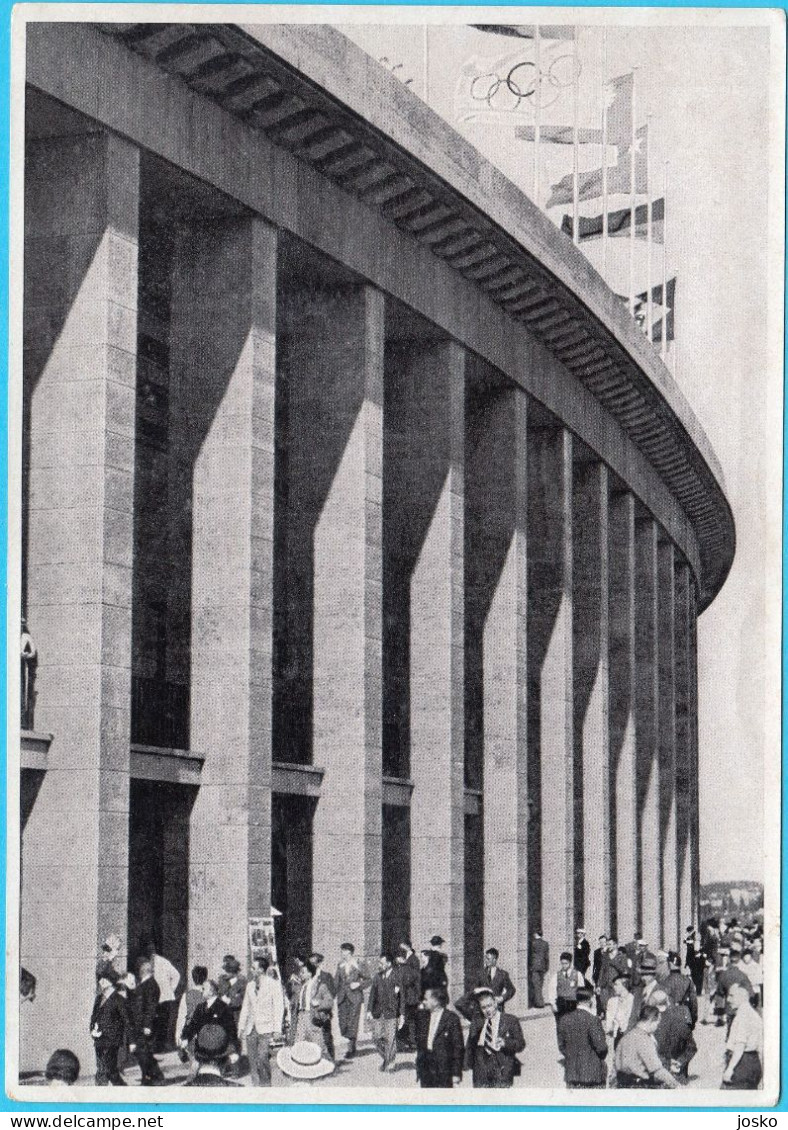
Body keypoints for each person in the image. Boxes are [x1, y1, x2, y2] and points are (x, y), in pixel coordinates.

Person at [238, 956, 285, 1086]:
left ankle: (266, 1086)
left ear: (261, 969)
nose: (251, 970)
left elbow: (278, 1007)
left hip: (266, 1028)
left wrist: (277, 1029)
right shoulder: (250, 986)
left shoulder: (274, 984)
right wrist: (241, 1027)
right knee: (252, 1061)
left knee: (262, 1057)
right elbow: (245, 1007)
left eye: (254, 968)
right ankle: (256, 1088)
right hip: (251, 1029)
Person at [465, 988, 525, 1088]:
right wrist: (475, 991)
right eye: (483, 1007)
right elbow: (460, 1004)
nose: (487, 1010)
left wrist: (505, 1043)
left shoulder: (510, 1020)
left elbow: (521, 1044)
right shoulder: (477, 1022)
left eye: (489, 1006)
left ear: (495, 1004)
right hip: (481, 1070)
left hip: (501, 1068)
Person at [614, 1005, 679, 1089]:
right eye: (657, 1023)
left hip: (621, 1086)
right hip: (640, 1087)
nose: (657, 1027)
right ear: (651, 1021)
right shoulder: (644, 1040)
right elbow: (657, 1071)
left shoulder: (625, 1037)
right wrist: (677, 1085)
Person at [557, 985, 608, 1089]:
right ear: (590, 1001)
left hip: (572, 1074)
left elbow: (562, 1046)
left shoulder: (564, 1019)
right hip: (592, 1074)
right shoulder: (593, 1020)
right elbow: (601, 1047)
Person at [414, 987, 464, 1089]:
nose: (423, 1002)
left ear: (436, 1001)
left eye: (426, 999)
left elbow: (458, 1048)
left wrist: (456, 1074)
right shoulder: (424, 1017)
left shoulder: (451, 1019)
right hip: (426, 1068)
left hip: (443, 1070)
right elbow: (420, 1044)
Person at [179, 978, 239, 1061]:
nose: (201, 990)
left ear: (211, 992)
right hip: (201, 1049)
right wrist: (185, 1038)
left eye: (204, 988)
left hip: (219, 1051)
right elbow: (192, 1025)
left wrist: (232, 1050)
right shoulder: (200, 1007)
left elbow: (231, 1029)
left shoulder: (223, 1007)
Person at [90, 963, 128, 1086]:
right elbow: (94, 1017)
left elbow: (125, 1021)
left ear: (109, 981)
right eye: (99, 979)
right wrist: (92, 1030)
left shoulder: (119, 999)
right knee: (104, 1071)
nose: (100, 982)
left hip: (111, 1041)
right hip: (99, 1041)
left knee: (107, 1071)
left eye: (102, 979)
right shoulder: (99, 998)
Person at [722, 981, 762, 1089]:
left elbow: (740, 1046)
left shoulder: (743, 1016)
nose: (728, 1000)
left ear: (742, 997)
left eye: (732, 996)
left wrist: (730, 1069)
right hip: (753, 1062)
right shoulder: (753, 1014)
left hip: (741, 1065)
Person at [129, 959, 164, 1085]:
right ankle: (153, 1075)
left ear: (141, 972)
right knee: (143, 1052)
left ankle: (150, 1076)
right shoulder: (148, 984)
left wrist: (147, 1025)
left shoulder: (150, 985)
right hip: (141, 1024)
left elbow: (151, 1006)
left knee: (143, 1052)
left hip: (145, 1025)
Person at [651, 989, 697, 1082]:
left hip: (655, 1075)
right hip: (676, 1075)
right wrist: (680, 1062)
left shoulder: (649, 1024)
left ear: (652, 1003)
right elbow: (692, 1048)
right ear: (667, 1001)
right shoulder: (681, 1020)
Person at [367, 952, 401, 1073]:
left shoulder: (397, 976)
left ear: (389, 963)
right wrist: (369, 1010)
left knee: (390, 1038)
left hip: (391, 1013)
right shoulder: (377, 976)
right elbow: (372, 995)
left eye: (382, 963)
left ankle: (390, 1063)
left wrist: (402, 1014)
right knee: (376, 1037)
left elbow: (402, 997)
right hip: (378, 1012)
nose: (380, 965)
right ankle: (387, 1058)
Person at [144, 942, 180, 1052]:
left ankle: (160, 1046)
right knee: (154, 1021)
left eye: (151, 951)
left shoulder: (163, 962)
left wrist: (170, 989)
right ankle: (153, 1046)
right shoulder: (147, 963)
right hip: (154, 998)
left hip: (164, 997)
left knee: (162, 1022)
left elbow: (176, 975)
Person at [293, 960, 334, 1055]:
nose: (301, 974)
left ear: (310, 973)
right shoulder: (302, 986)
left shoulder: (319, 986)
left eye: (303, 972)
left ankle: (327, 1064)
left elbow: (329, 1002)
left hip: (312, 1016)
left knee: (318, 1044)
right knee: (299, 1042)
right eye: (301, 972)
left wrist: (319, 1003)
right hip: (301, 1016)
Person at [335, 942, 367, 1058]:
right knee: (343, 1024)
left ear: (349, 952)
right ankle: (350, 1040)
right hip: (342, 997)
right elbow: (336, 981)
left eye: (343, 951)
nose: (342, 953)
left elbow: (369, 979)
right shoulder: (340, 964)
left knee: (352, 1023)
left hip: (355, 998)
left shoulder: (358, 964)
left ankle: (351, 1049)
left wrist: (358, 984)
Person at [175, 965, 208, 1064]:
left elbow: (181, 1016)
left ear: (193, 978)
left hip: (190, 1030)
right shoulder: (208, 994)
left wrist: (178, 1034)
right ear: (205, 978)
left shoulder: (186, 995)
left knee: (194, 1061)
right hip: (205, 1030)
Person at [547, 951, 585, 1031]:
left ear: (570, 963)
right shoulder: (556, 976)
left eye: (566, 963)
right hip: (561, 1003)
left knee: (573, 1028)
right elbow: (552, 990)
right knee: (561, 1027)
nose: (564, 966)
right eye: (562, 963)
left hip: (573, 1003)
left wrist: (580, 1005)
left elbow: (581, 991)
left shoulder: (577, 974)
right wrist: (553, 1004)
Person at [659, 950, 698, 1028]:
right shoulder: (688, 980)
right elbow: (693, 1003)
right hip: (685, 1017)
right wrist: (693, 1019)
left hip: (670, 1018)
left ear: (669, 964)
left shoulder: (665, 981)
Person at [308, 952, 336, 1060]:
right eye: (310, 963)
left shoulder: (326, 976)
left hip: (323, 1012)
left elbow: (332, 992)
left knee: (326, 1036)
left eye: (314, 963)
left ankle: (331, 1060)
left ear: (319, 963)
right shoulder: (308, 976)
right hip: (311, 1013)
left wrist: (320, 1002)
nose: (313, 965)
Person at [394, 946, 420, 1051]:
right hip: (413, 1000)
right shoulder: (412, 969)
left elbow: (402, 988)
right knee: (411, 1021)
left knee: (405, 1021)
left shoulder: (400, 970)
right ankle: (412, 1043)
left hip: (404, 1000)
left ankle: (405, 1043)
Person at [604, 971, 635, 1047]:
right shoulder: (612, 1001)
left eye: (616, 985)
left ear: (624, 985)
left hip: (629, 1037)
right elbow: (609, 1023)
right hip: (614, 1037)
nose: (614, 987)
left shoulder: (633, 1001)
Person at [529, 928, 549, 1009]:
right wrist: (546, 967)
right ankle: (540, 1001)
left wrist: (530, 966)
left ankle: (539, 1003)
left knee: (536, 985)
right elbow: (547, 957)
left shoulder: (533, 943)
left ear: (535, 934)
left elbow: (530, 956)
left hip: (535, 966)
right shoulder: (545, 943)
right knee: (540, 985)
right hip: (542, 966)